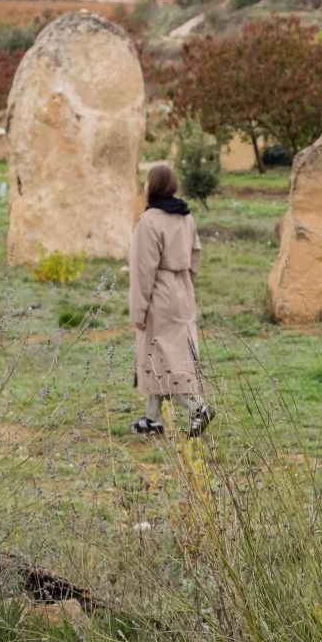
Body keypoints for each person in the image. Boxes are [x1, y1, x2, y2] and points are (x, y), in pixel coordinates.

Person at [129, 162, 213, 437]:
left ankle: (196, 406)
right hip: (183, 290)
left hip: (159, 294)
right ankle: (152, 419)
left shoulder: (149, 221)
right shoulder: (185, 217)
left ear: (152, 186)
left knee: (162, 355)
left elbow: (143, 271)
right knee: (167, 355)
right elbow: (196, 254)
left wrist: (138, 312)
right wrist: (185, 280)